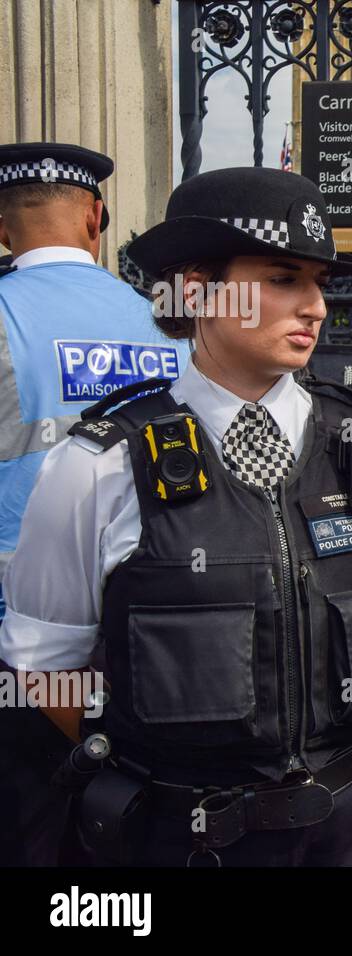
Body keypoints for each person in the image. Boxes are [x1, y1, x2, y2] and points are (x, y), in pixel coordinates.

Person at [0, 167, 352, 866]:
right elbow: (46, 670)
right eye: (284, 278)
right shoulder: (98, 469)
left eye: (320, 281)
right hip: (184, 841)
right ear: (198, 290)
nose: (316, 306)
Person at [0, 142, 189, 866]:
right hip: (148, 635)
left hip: (21, 649)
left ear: (3, 226)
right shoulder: (162, 322)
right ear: (97, 217)